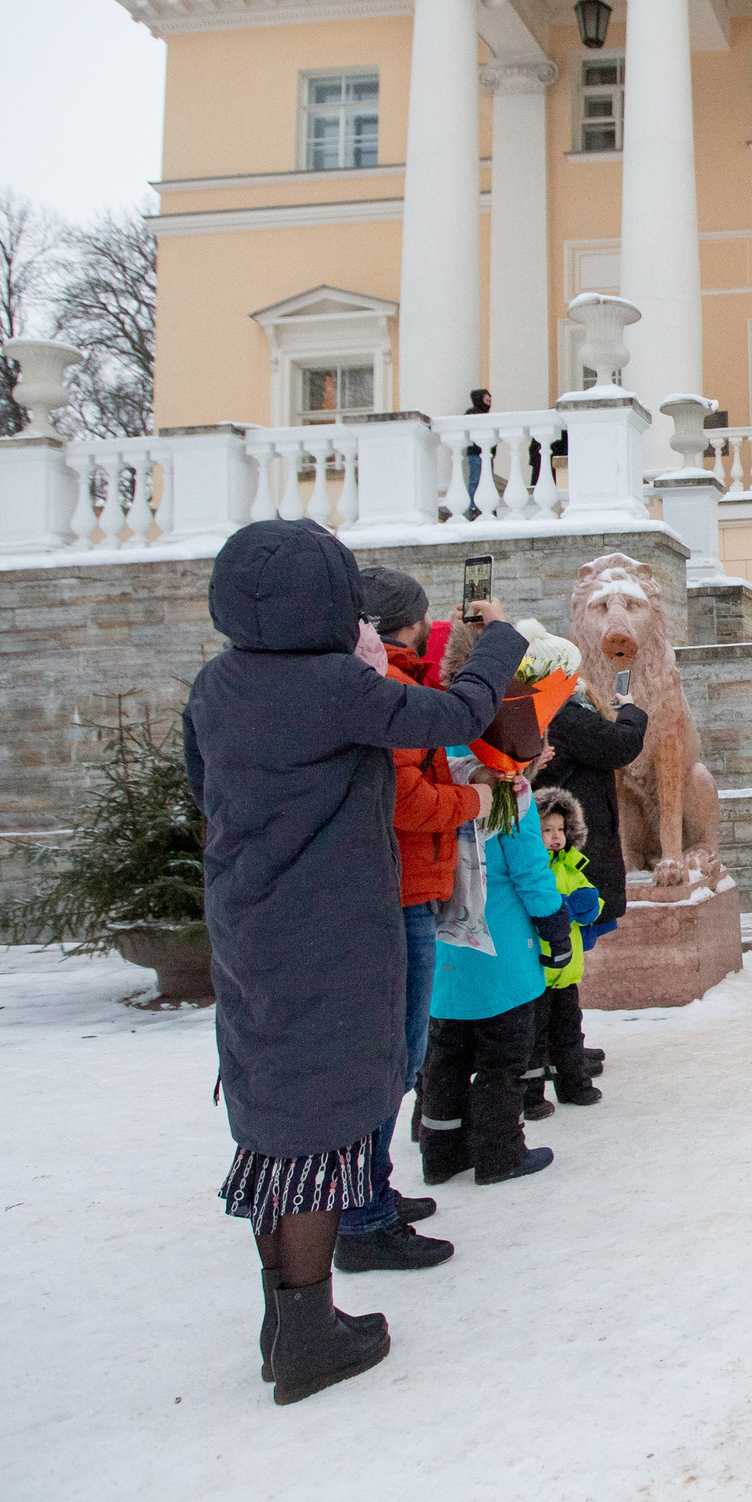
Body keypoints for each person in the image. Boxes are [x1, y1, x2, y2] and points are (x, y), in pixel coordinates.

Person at [183, 520, 525, 1406]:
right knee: (324, 1114)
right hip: (329, 925)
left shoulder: (218, 684)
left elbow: (202, 782)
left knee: (276, 1112)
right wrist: (501, 646)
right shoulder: (336, 685)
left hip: (247, 921)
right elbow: (455, 712)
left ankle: (286, 1319)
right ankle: (309, 1337)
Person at [329, 566, 489, 1275]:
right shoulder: (385, 688)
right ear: (406, 621)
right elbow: (406, 800)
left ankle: (373, 1193)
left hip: (411, 885)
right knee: (393, 1057)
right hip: (399, 892)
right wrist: (471, 804)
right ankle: (361, 1214)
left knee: (399, 1055)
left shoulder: (397, 676)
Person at [421, 757, 561, 1189]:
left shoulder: (432, 765)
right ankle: (499, 1152)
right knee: (502, 1058)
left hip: (443, 942)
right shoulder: (504, 781)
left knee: (446, 1057)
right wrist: (552, 922)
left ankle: (441, 1154)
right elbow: (528, 867)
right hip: (498, 944)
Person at [532, 670, 649, 1080]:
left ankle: (564, 1046)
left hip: (566, 848)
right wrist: (631, 709)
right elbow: (619, 744)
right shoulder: (564, 715)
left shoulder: (557, 712)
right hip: (563, 853)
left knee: (565, 960)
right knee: (558, 962)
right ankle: (554, 1052)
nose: (578, 678)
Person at [526, 786, 605, 1111]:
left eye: (560, 829)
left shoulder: (571, 867)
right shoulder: (534, 871)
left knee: (569, 1031)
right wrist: (563, 908)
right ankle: (530, 1096)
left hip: (568, 970)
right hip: (540, 971)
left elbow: (591, 899)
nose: (555, 837)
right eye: (547, 830)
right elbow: (536, 907)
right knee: (534, 1038)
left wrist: (591, 905)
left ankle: (573, 1083)